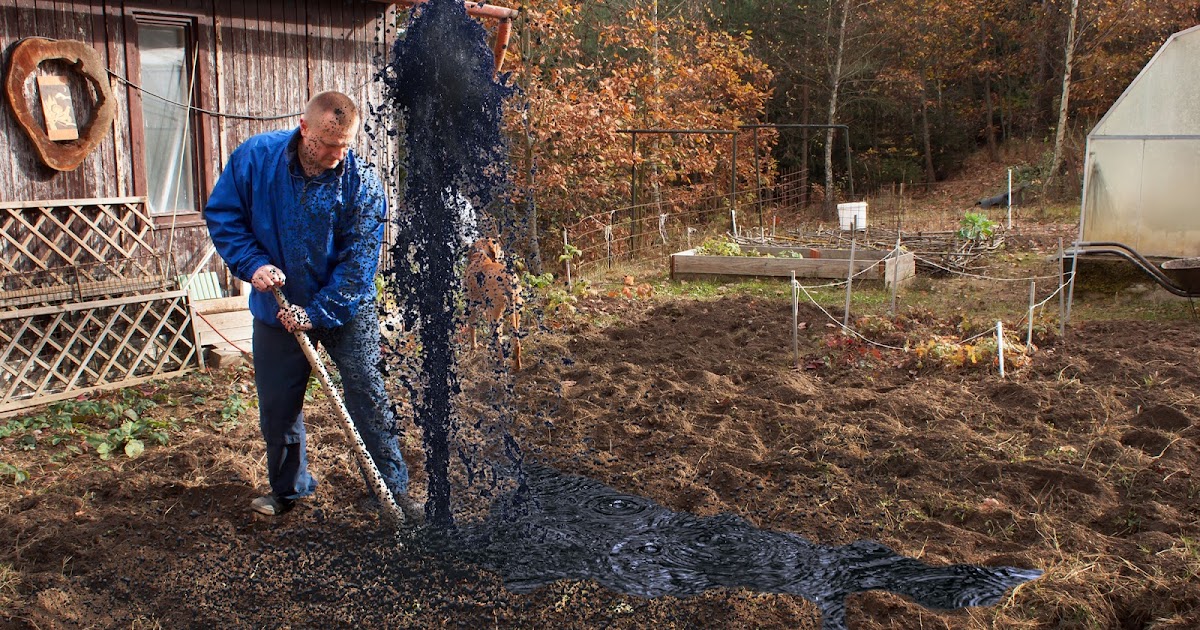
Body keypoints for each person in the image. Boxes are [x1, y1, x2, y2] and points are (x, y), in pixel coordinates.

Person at [205, 91, 421, 523]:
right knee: (278, 407)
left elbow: (359, 266)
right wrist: (252, 263)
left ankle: (391, 493)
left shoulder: (361, 184)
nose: (337, 155)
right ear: (304, 129)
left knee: (367, 397)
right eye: (328, 144)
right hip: (277, 307)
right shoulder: (256, 159)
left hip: (346, 309)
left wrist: (316, 313)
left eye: (345, 146)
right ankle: (289, 490)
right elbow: (225, 216)